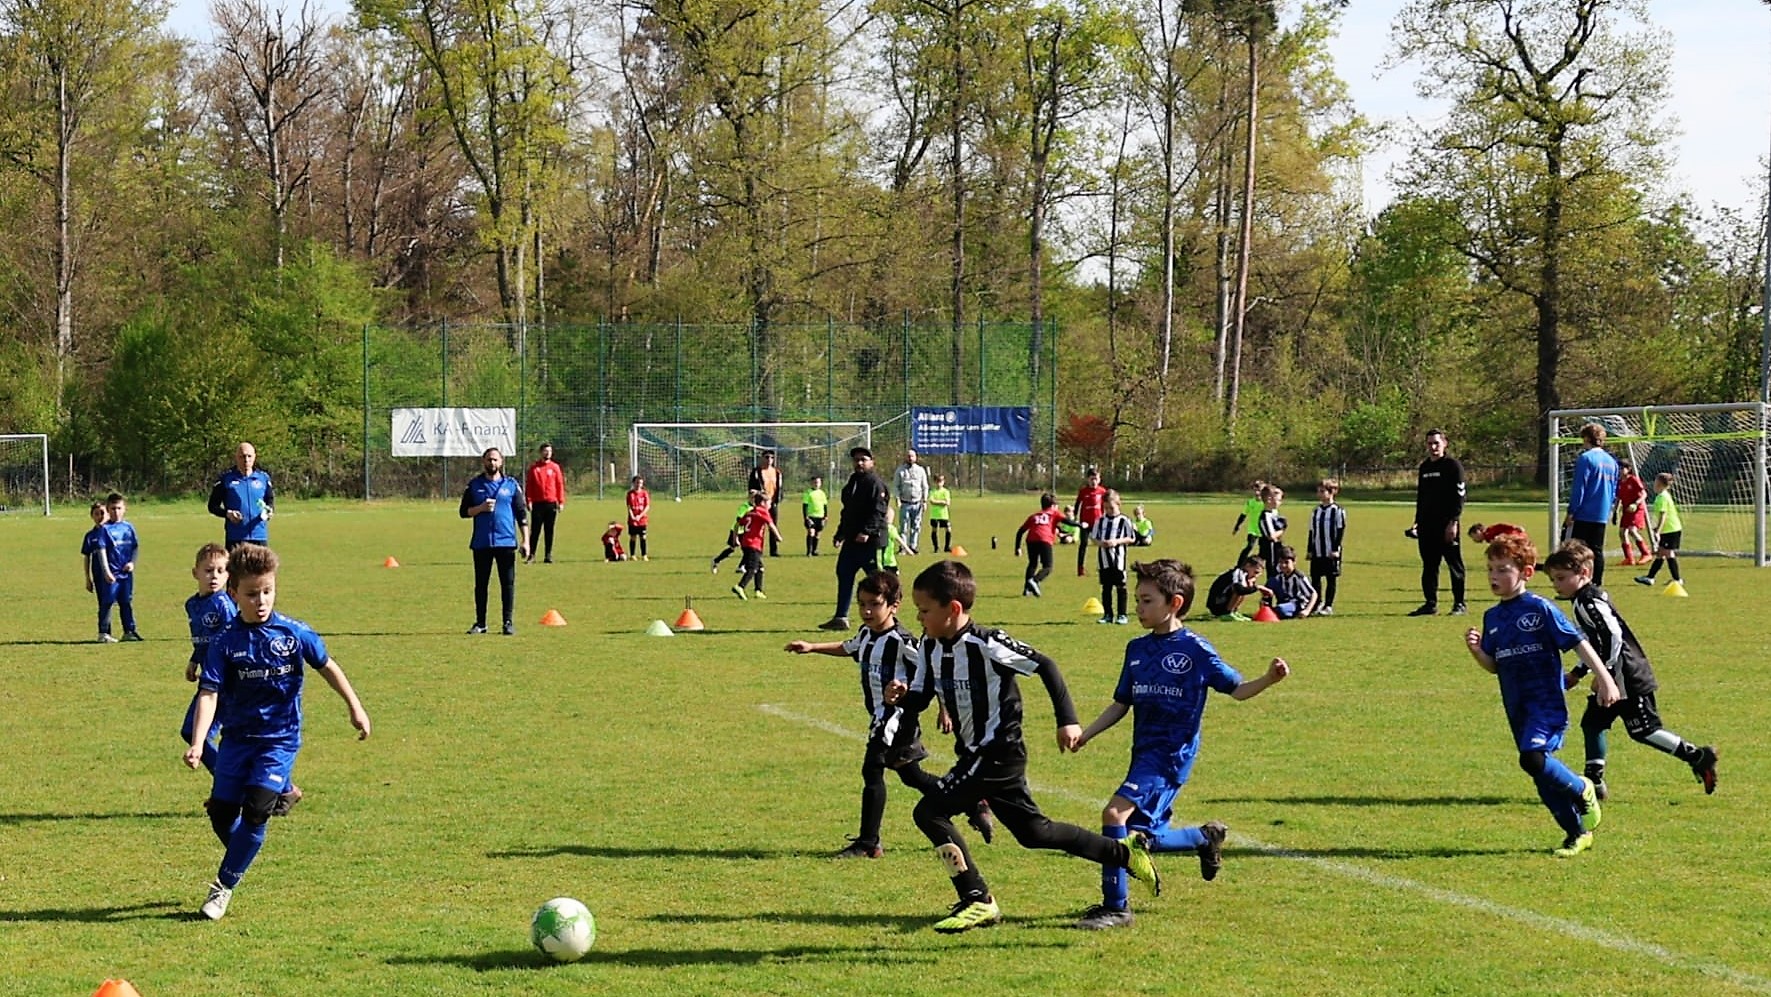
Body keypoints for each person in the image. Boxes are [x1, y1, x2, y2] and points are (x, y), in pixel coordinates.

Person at [882, 560, 1161, 933]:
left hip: (998, 752)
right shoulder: (930, 647)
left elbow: (1045, 665)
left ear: (953, 609)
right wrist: (899, 700)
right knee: (1035, 834)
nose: (919, 618)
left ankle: (977, 899)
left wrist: (1068, 719)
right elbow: (921, 696)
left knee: (929, 812)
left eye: (925, 610)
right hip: (976, 755)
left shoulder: (988, 643)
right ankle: (1125, 852)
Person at [1070, 558, 1289, 929]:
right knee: (1142, 838)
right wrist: (1086, 734)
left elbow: (1237, 690)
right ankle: (1203, 838)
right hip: (1143, 752)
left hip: (1171, 755)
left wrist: (1268, 678)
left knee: (1114, 816)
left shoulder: (1196, 650)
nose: (1138, 608)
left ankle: (1117, 907)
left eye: (1146, 601)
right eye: (1136, 600)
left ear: (1174, 603)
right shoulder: (1136, 649)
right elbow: (1122, 703)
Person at [183, 543, 370, 919]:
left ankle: (222, 887)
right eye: (252, 594)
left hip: (279, 740)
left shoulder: (292, 632)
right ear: (234, 593)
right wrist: (200, 741)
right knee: (221, 813)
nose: (261, 600)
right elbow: (208, 694)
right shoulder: (225, 642)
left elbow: (328, 666)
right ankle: (243, 852)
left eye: (268, 591)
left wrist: (355, 706)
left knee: (256, 811)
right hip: (237, 741)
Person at [784, 570, 992, 858]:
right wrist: (812, 647)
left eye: (874, 604)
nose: (867, 610)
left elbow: (931, 669)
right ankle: (972, 802)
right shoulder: (867, 634)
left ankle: (869, 843)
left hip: (896, 717)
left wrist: (944, 708)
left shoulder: (902, 640)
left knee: (872, 768)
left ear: (894, 605)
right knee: (911, 776)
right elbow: (848, 647)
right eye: (862, 604)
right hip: (881, 715)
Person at [1462, 533, 1617, 857]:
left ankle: (1582, 787)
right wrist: (1477, 651)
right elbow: (1494, 666)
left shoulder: (1540, 608)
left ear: (1526, 573)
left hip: (1545, 703)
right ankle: (1577, 833)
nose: (1494, 576)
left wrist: (1605, 679)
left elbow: (1578, 642)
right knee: (1539, 774)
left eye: (1503, 569)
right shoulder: (1492, 618)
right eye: (1490, 569)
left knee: (1532, 758)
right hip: (1516, 706)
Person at [1543, 540, 1718, 800]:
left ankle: (1698, 756)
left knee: (1644, 730)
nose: (1556, 584)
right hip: (1616, 674)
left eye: (1561, 578)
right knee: (1592, 723)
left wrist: (1606, 675)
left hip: (1627, 675)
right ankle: (1593, 782)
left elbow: (1613, 636)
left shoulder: (1589, 602)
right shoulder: (1583, 599)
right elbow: (1594, 643)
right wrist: (1579, 674)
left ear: (1584, 574)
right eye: (1553, 579)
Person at [459, 447, 529, 635]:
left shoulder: (511, 485)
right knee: (481, 584)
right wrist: (480, 508)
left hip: (506, 542)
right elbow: (463, 512)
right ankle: (480, 623)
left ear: (502, 462)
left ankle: (508, 622)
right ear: (484, 461)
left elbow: (522, 514)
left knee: (507, 584)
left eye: (495, 460)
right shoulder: (474, 485)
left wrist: (526, 541)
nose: (492, 463)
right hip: (482, 543)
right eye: (489, 460)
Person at [819, 447, 889, 630]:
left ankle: (887, 615)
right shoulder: (852, 482)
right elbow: (847, 512)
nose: (859, 463)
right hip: (852, 541)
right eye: (856, 459)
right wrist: (840, 534)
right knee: (844, 573)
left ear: (872, 462)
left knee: (878, 582)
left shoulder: (875, 483)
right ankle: (841, 617)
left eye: (863, 459)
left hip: (871, 542)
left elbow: (879, 511)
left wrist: (867, 531)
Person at [181, 544, 236, 777]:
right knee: (193, 732)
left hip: (225, 681)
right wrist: (195, 660)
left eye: (221, 571)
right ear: (195, 573)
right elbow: (203, 639)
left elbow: (235, 639)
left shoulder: (223, 606)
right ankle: (284, 789)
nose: (214, 576)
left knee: (195, 733)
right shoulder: (192, 605)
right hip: (209, 678)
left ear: (228, 575)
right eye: (208, 570)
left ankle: (229, 783)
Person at [1410, 428, 1467, 616]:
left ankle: (1459, 604)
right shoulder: (1424, 467)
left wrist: (1454, 521)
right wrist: (1417, 522)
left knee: (1454, 564)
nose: (1433, 447)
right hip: (1427, 526)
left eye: (1436, 443)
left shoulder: (1453, 466)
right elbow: (1422, 497)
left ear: (1445, 443)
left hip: (1447, 525)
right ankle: (1430, 604)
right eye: (1429, 443)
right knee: (1429, 566)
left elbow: (1460, 497)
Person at [1562, 423, 1619, 587]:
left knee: (1575, 550)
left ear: (1586, 438)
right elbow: (1614, 489)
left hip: (1584, 512)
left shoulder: (1586, 458)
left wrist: (1572, 511)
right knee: (1597, 550)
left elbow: (1579, 488)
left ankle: (1576, 585)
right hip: (1601, 513)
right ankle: (1596, 586)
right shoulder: (1612, 462)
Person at [207, 442, 275, 551]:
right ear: (236, 457)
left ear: (254, 457)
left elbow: (270, 500)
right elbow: (212, 506)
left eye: (249, 456)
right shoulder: (226, 479)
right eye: (242, 456)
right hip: (235, 537)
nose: (246, 460)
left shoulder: (263, 478)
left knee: (261, 568)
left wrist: (269, 511)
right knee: (236, 568)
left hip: (259, 535)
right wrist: (227, 514)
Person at [1014, 493, 1078, 598]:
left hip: (1031, 540)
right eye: (1056, 505)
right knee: (1048, 567)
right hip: (1044, 539)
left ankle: (1027, 589)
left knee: (1032, 564)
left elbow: (1020, 531)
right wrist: (1081, 525)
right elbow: (1068, 521)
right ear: (1052, 506)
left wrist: (1017, 547)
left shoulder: (1034, 516)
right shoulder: (1054, 513)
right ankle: (1034, 581)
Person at [1090, 490, 1137, 624]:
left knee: (1121, 586)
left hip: (1119, 559)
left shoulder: (1124, 520)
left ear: (1118, 504)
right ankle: (1108, 614)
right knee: (1106, 587)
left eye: (1111, 508)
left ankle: (1122, 614)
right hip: (1103, 559)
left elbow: (1131, 538)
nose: (1109, 511)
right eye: (1106, 508)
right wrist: (1101, 543)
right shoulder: (1100, 520)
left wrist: (1116, 542)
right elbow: (1093, 538)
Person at [103, 492, 142, 641]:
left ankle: (129, 631)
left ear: (124, 509)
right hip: (111, 574)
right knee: (107, 602)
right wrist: (106, 570)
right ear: (107, 509)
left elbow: (135, 547)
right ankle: (105, 632)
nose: (116, 512)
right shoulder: (104, 529)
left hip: (126, 574)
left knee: (126, 602)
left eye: (119, 508)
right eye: (112, 508)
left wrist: (132, 562)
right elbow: (101, 552)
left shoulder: (128, 528)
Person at [1635, 473, 1684, 589]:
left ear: (1660, 484)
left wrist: (1657, 531)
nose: (1654, 484)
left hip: (1670, 530)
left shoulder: (1662, 497)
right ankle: (1650, 577)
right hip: (1670, 529)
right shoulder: (1663, 495)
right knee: (1660, 554)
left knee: (1667, 553)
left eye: (1656, 482)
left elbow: (1663, 515)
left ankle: (1677, 579)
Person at [732, 490, 783, 600]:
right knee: (752, 568)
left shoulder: (750, 512)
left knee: (760, 568)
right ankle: (740, 586)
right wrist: (778, 536)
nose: (770, 505)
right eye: (769, 502)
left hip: (745, 544)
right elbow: (771, 525)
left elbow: (737, 525)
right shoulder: (762, 511)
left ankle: (758, 590)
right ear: (763, 503)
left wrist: (735, 538)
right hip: (754, 544)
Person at [80, 500, 119, 643]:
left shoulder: (114, 531)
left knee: (115, 601)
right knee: (105, 602)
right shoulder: (90, 536)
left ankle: (121, 631)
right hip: (100, 574)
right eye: (97, 514)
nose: (100, 516)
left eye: (103, 513)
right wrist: (87, 578)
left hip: (117, 571)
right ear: (92, 516)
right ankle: (103, 632)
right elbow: (86, 557)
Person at [1305, 479, 1345, 616]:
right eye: (1318, 491)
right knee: (1315, 578)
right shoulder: (1316, 511)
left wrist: (1335, 549)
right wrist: (1309, 549)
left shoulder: (1338, 511)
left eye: (1323, 491)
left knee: (1331, 578)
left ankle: (1328, 605)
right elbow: (1311, 531)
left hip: (1330, 551)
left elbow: (1340, 530)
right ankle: (1317, 603)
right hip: (1317, 550)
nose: (1319, 494)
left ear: (1332, 492)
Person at [523, 444, 566, 564]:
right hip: (537, 503)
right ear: (541, 452)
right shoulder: (534, 468)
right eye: (545, 451)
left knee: (549, 530)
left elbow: (559, 485)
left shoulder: (555, 467)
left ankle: (548, 555)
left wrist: (561, 501)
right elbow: (529, 486)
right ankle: (531, 555)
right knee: (535, 530)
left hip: (551, 503)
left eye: (549, 451)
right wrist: (529, 500)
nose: (547, 453)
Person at [1205, 554, 1271, 622]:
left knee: (1244, 588)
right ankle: (1228, 613)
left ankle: (1233, 612)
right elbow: (1239, 590)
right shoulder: (1238, 572)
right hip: (1217, 603)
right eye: (1255, 572)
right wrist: (1258, 587)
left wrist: (1251, 585)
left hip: (1222, 601)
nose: (1256, 576)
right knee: (1239, 590)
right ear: (1248, 566)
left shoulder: (1244, 575)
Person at [1614, 461, 1652, 566]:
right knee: (1622, 532)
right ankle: (1629, 558)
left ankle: (1646, 553)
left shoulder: (1633, 480)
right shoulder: (1620, 482)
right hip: (1626, 510)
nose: (1620, 470)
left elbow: (1644, 494)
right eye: (1619, 468)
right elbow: (1618, 498)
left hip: (1636, 509)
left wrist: (1636, 503)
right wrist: (1615, 512)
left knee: (1631, 530)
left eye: (1622, 468)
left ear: (1628, 469)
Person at [746, 450, 784, 557]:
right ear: (762, 458)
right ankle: (758, 549)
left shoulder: (777, 472)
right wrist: (757, 497)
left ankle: (774, 550)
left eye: (772, 458)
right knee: (759, 527)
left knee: (773, 525)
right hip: (761, 504)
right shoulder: (757, 472)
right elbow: (751, 488)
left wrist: (777, 499)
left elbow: (779, 487)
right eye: (767, 457)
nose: (769, 460)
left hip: (772, 503)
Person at [893, 449, 931, 555]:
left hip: (917, 503)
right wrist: (897, 499)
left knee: (916, 526)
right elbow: (896, 486)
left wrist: (925, 501)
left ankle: (913, 546)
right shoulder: (900, 470)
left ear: (916, 457)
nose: (910, 458)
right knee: (903, 527)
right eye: (908, 456)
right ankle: (903, 548)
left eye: (912, 456)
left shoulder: (920, 470)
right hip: (905, 503)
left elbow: (925, 486)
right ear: (906, 457)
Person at [1073, 467, 1108, 576]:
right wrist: (1075, 516)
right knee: (1083, 544)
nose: (1094, 481)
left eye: (1096, 479)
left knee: (1102, 544)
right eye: (1091, 479)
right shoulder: (1083, 491)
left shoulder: (1102, 491)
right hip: (1085, 523)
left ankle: (1103, 566)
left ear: (1099, 479)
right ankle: (1080, 568)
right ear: (1088, 479)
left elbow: (1107, 505)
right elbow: (1077, 504)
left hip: (1098, 522)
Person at [1267, 546, 1318, 619]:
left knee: (1280, 609)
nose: (1283, 565)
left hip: (1297, 604)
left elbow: (1313, 594)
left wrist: (1307, 610)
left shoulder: (1299, 577)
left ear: (1294, 562)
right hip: (1284, 602)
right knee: (1271, 581)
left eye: (1286, 562)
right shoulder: (1278, 576)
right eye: (1281, 562)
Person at [710, 497, 754, 574]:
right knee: (731, 549)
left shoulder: (755, 507)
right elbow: (738, 520)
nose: (754, 500)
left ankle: (741, 566)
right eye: (752, 498)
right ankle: (715, 561)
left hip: (745, 531)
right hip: (736, 531)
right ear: (749, 498)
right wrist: (736, 537)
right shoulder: (744, 507)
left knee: (749, 550)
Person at [1255, 486, 1285, 585]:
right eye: (1278, 500)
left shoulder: (1274, 512)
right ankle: (1268, 597)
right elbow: (1271, 536)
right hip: (1270, 547)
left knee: (1279, 572)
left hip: (1277, 546)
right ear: (1269, 499)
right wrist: (1282, 529)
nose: (1280, 503)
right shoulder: (1265, 516)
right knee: (1273, 572)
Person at [1231, 480, 1267, 561]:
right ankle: (1239, 565)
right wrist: (1237, 526)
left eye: (1259, 490)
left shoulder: (1266, 503)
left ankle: (1255, 564)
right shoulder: (1250, 502)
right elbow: (1243, 515)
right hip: (1253, 529)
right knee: (1249, 546)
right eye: (1255, 490)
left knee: (1264, 551)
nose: (1257, 492)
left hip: (1264, 530)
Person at [877, 504, 914, 575]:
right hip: (890, 560)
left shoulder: (878, 527)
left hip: (880, 559)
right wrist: (908, 550)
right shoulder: (891, 529)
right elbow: (899, 540)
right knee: (895, 575)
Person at [625, 474, 651, 561]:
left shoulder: (644, 493)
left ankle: (644, 555)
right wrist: (632, 516)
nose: (639, 485)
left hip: (642, 519)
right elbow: (629, 506)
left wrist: (640, 516)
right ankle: (632, 555)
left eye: (640, 483)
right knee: (633, 537)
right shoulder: (630, 494)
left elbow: (647, 506)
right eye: (637, 483)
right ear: (633, 483)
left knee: (643, 537)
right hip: (632, 520)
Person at [802, 475, 829, 556]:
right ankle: (809, 551)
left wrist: (825, 516)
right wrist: (806, 517)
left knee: (818, 534)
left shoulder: (822, 493)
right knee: (811, 532)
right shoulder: (808, 493)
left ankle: (815, 550)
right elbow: (805, 506)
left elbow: (825, 505)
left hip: (820, 516)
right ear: (811, 483)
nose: (816, 484)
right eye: (815, 482)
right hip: (811, 516)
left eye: (818, 482)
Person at [927, 474, 954, 553]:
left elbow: (947, 503)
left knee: (948, 530)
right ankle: (936, 548)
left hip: (944, 515)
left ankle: (947, 547)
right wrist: (942, 502)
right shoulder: (932, 491)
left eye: (941, 481)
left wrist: (937, 502)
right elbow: (932, 501)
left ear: (944, 482)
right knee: (934, 530)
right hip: (934, 515)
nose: (939, 483)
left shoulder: (946, 491)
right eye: (938, 481)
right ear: (935, 482)